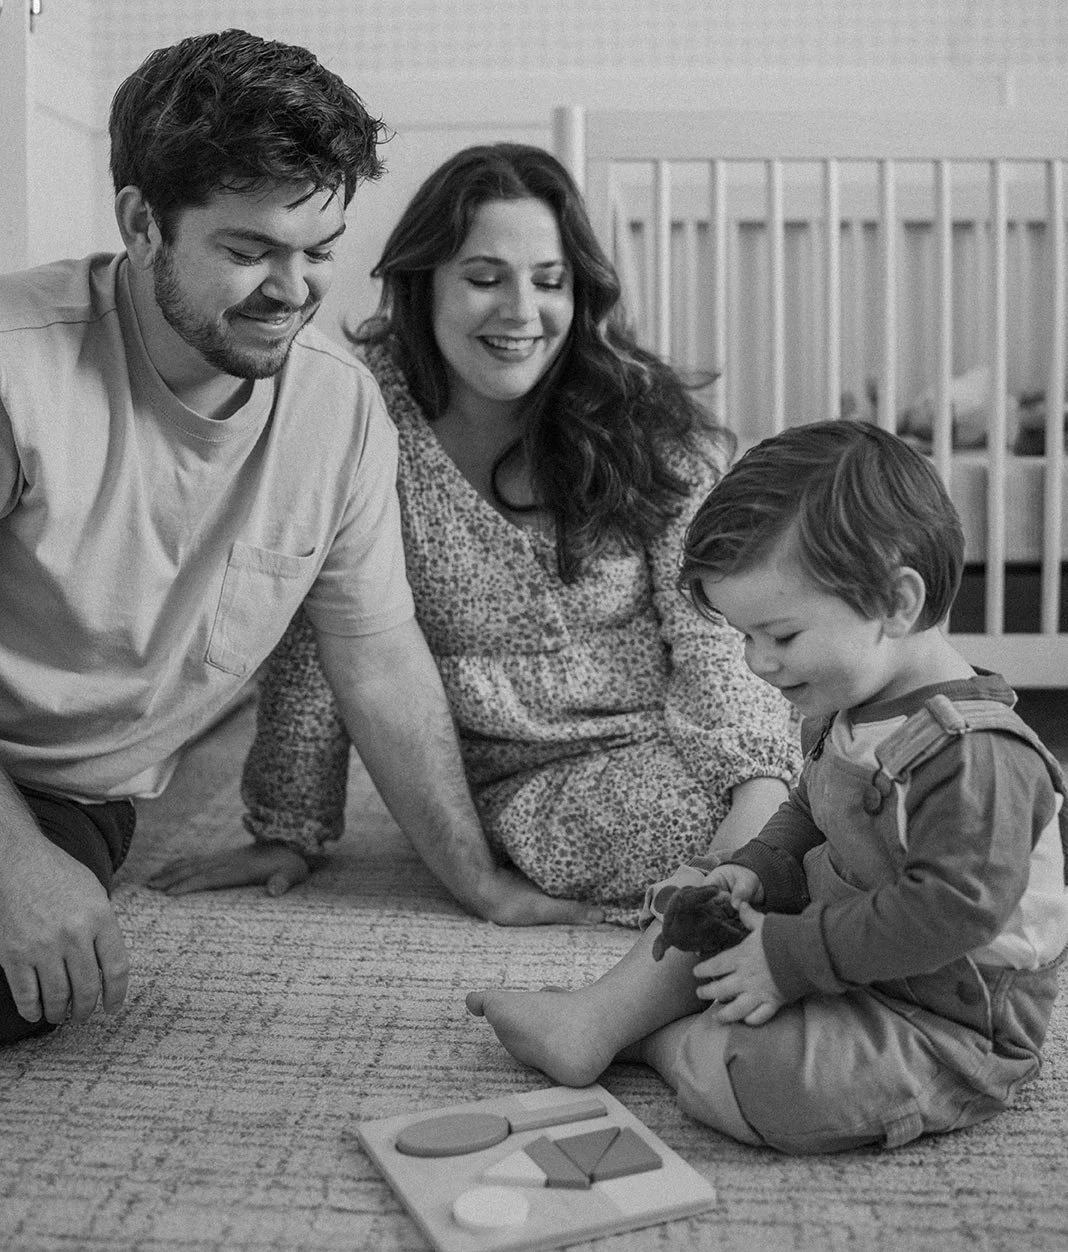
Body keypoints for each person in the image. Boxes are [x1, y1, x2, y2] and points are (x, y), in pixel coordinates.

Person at [0, 34, 593, 1048]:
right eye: (247, 251)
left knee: (27, 994)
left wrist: (480, 882)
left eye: (318, 250)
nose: (294, 291)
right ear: (143, 224)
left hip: (69, 792)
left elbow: (379, 659)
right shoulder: (20, 369)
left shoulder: (338, 411)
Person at [157, 144, 799, 923]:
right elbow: (323, 640)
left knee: (859, 745)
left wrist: (753, 800)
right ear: (423, 285)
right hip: (533, 786)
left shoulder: (644, 423)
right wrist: (289, 826)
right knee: (742, 817)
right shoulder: (362, 419)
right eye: (486, 279)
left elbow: (714, 634)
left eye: (549, 281)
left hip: (700, 729)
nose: (521, 312)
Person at [466, 420, 1068, 1155]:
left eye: (780, 635)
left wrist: (791, 958)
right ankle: (598, 1017)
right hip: (847, 942)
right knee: (707, 907)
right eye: (744, 635)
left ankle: (658, 1041)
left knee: (781, 1086)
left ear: (895, 604)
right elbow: (808, 812)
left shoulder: (978, 756)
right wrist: (752, 870)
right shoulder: (848, 708)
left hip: (948, 1019)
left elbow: (950, 913)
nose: (757, 662)